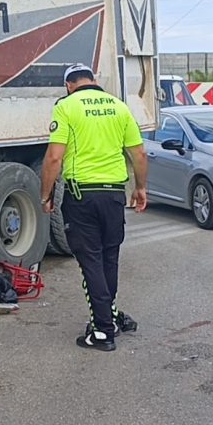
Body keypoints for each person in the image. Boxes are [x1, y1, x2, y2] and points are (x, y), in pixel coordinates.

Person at [40, 63, 148, 352]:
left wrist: (46, 194)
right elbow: (138, 152)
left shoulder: (66, 106)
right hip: (114, 195)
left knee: (91, 261)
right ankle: (109, 317)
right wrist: (140, 188)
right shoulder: (119, 106)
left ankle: (102, 331)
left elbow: (53, 157)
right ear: (94, 80)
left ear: (68, 85)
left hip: (81, 195)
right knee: (108, 258)